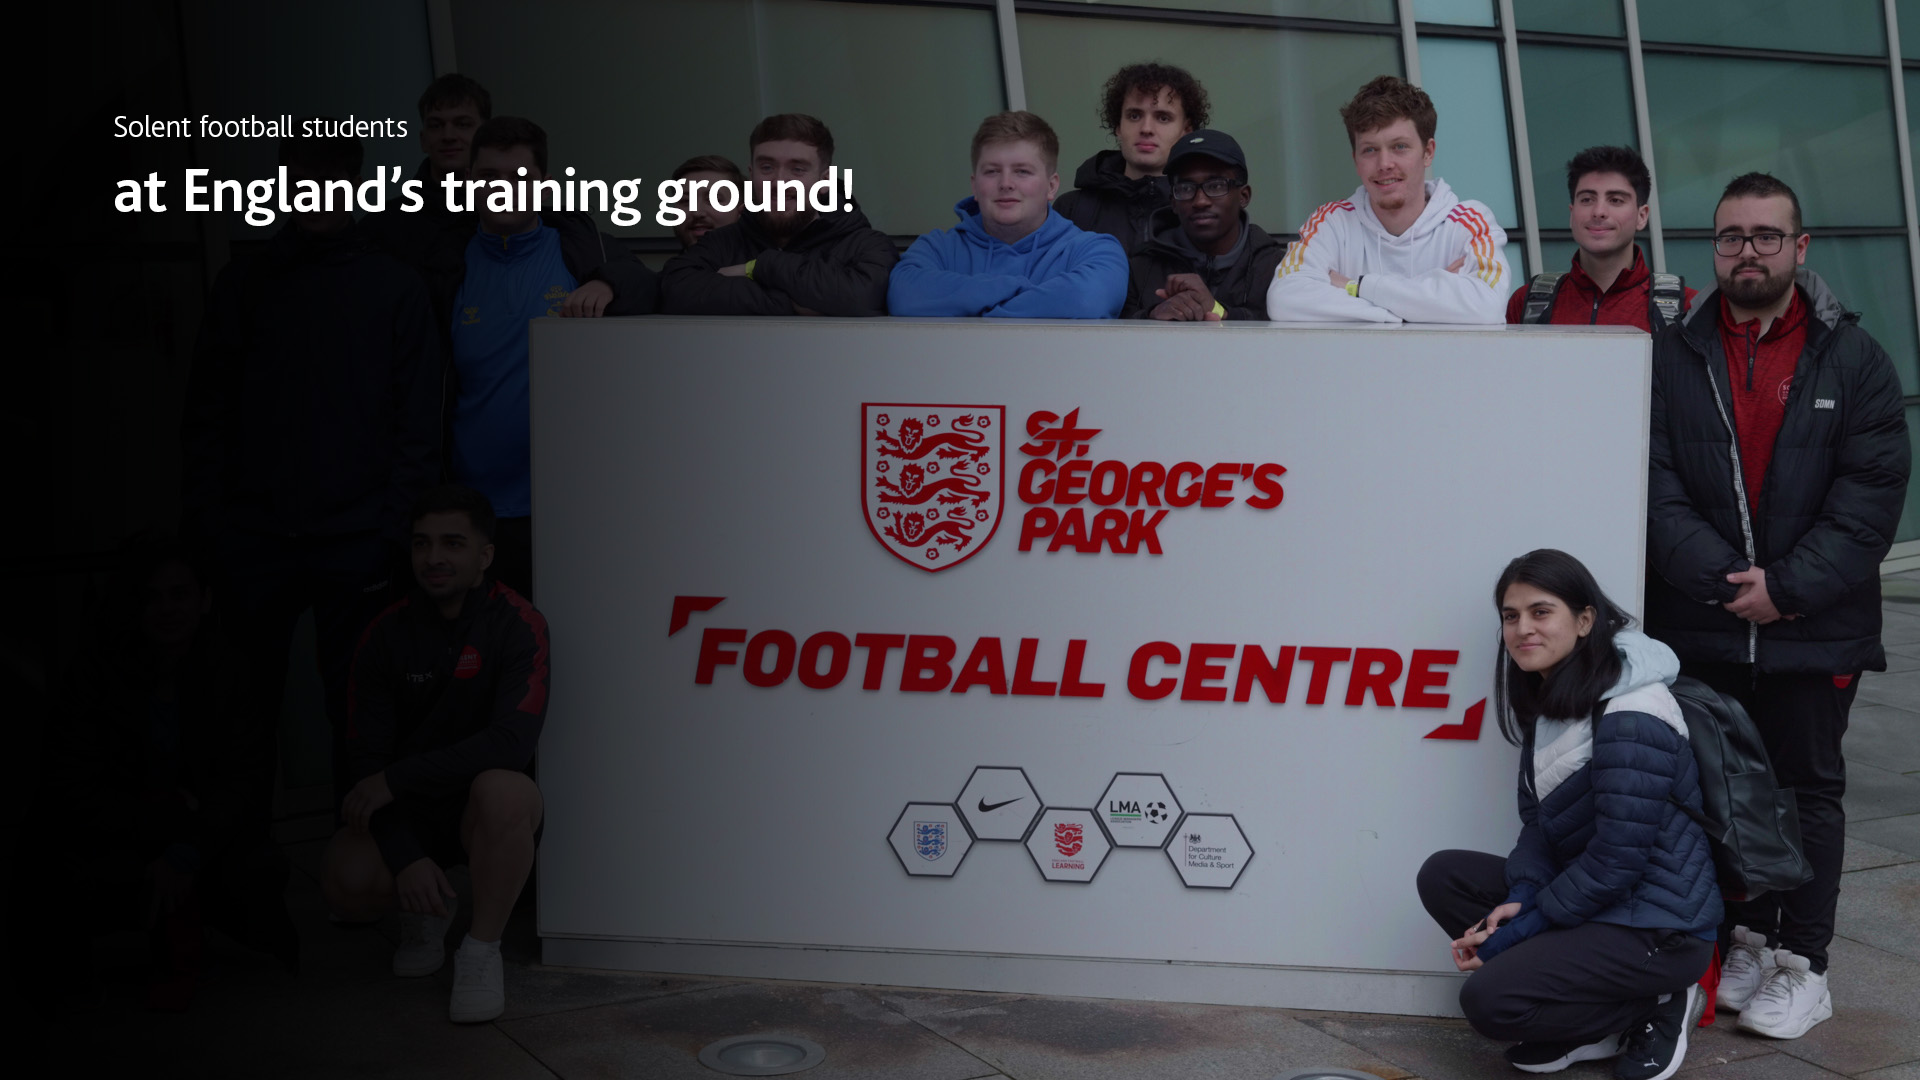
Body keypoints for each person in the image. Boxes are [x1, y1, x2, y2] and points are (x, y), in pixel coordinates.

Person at [1646, 173, 1909, 1040]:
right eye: (1731, 236)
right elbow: (1654, 486)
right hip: (1707, 623)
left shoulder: (1857, 361)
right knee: (1717, 794)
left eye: (1766, 235)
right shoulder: (1673, 353)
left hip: (1813, 626)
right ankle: (1749, 943)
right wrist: (1731, 584)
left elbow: (1872, 498)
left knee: (1805, 793)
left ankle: (1807, 964)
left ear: (1800, 249)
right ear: (1711, 248)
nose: (1747, 250)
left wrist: (1785, 589)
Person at [181, 127, 442, 811]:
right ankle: (240, 872)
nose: (316, 194)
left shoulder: (394, 285)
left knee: (358, 720)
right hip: (253, 540)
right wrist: (216, 526)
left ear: (355, 186)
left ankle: (354, 872)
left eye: (331, 179)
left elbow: (419, 419)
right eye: (301, 179)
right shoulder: (244, 284)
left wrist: (391, 531)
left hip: (356, 541)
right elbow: (206, 411)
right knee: (239, 717)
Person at [1417, 550, 1719, 1080]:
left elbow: (1618, 861)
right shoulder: (1558, 694)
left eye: (1541, 612)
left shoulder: (1632, 712)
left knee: (1490, 1002)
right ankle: (1592, 1022)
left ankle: (1660, 1001)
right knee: (1445, 876)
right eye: (1511, 617)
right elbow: (1539, 823)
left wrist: (1514, 935)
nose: (1522, 629)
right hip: (1602, 901)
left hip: (1657, 924)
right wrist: (1521, 896)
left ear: (1584, 621)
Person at [25, 539, 297, 1012]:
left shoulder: (231, 670)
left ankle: (211, 934)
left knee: (260, 865)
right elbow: (69, 784)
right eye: (151, 597)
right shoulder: (92, 672)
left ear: (205, 600)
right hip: (120, 832)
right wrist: (168, 822)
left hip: (199, 835)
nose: (166, 609)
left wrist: (187, 850)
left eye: (179, 594)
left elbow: (245, 780)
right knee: (48, 865)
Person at [322, 486, 550, 1024]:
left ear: (485, 554)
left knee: (510, 791)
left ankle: (479, 949)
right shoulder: (382, 633)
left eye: (452, 543)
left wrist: (397, 779)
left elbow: (511, 743)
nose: (434, 558)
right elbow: (366, 762)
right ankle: (427, 910)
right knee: (345, 882)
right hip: (411, 812)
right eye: (422, 544)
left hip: (478, 809)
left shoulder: (519, 624)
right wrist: (404, 854)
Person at [441, 116, 658, 599]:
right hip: (470, 512)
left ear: (544, 187)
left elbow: (651, 284)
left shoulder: (581, 250)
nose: (501, 192)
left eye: (518, 180)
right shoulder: (447, 265)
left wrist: (608, 283)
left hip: (565, 507)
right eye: (487, 180)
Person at [1267, 75, 1510, 324]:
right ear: (1355, 160)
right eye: (1370, 150)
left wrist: (1357, 286)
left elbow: (1487, 305)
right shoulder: (1331, 221)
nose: (1384, 164)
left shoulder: (1469, 222)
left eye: (1399, 147)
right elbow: (1284, 298)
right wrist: (1418, 309)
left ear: (1428, 153)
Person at [887, 111, 1126, 319]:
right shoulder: (936, 249)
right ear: (974, 186)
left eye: (1022, 171)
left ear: (1052, 186)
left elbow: (1086, 299)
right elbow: (903, 295)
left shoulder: (1096, 252)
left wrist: (969, 308)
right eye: (992, 171)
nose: (1006, 183)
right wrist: (1026, 291)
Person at [659, 113, 896, 315]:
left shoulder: (866, 244)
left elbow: (862, 296)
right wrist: (796, 304)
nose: (779, 181)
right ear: (752, 175)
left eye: (798, 169)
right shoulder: (723, 241)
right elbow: (672, 289)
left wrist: (760, 267)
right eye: (767, 167)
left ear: (825, 181)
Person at [1507, 146, 1694, 329]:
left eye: (1615, 200)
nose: (1598, 212)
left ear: (1642, 216)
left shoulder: (1688, 308)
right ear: (1572, 215)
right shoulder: (1526, 304)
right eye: (1587, 199)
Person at [1122, 129, 1285, 321]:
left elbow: (1293, 336)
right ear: (1173, 202)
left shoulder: (1277, 268)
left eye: (1216, 185)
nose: (1200, 201)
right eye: (1185, 188)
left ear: (1244, 196)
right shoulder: (1140, 268)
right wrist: (1151, 317)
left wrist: (1216, 311)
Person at [1054, 62, 1208, 253]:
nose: (1146, 129)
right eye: (1134, 116)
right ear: (1118, 125)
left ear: (1186, 130)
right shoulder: (1071, 211)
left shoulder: (1204, 210)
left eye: (1163, 118)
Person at [364, 73, 491, 289]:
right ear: (423, 140)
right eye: (435, 125)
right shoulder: (382, 227)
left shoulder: (514, 218)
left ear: (486, 135)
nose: (448, 135)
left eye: (462, 124)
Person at [670, 154, 745, 250]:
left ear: (741, 211)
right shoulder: (674, 265)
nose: (697, 212)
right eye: (686, 201)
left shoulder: (764, 263)